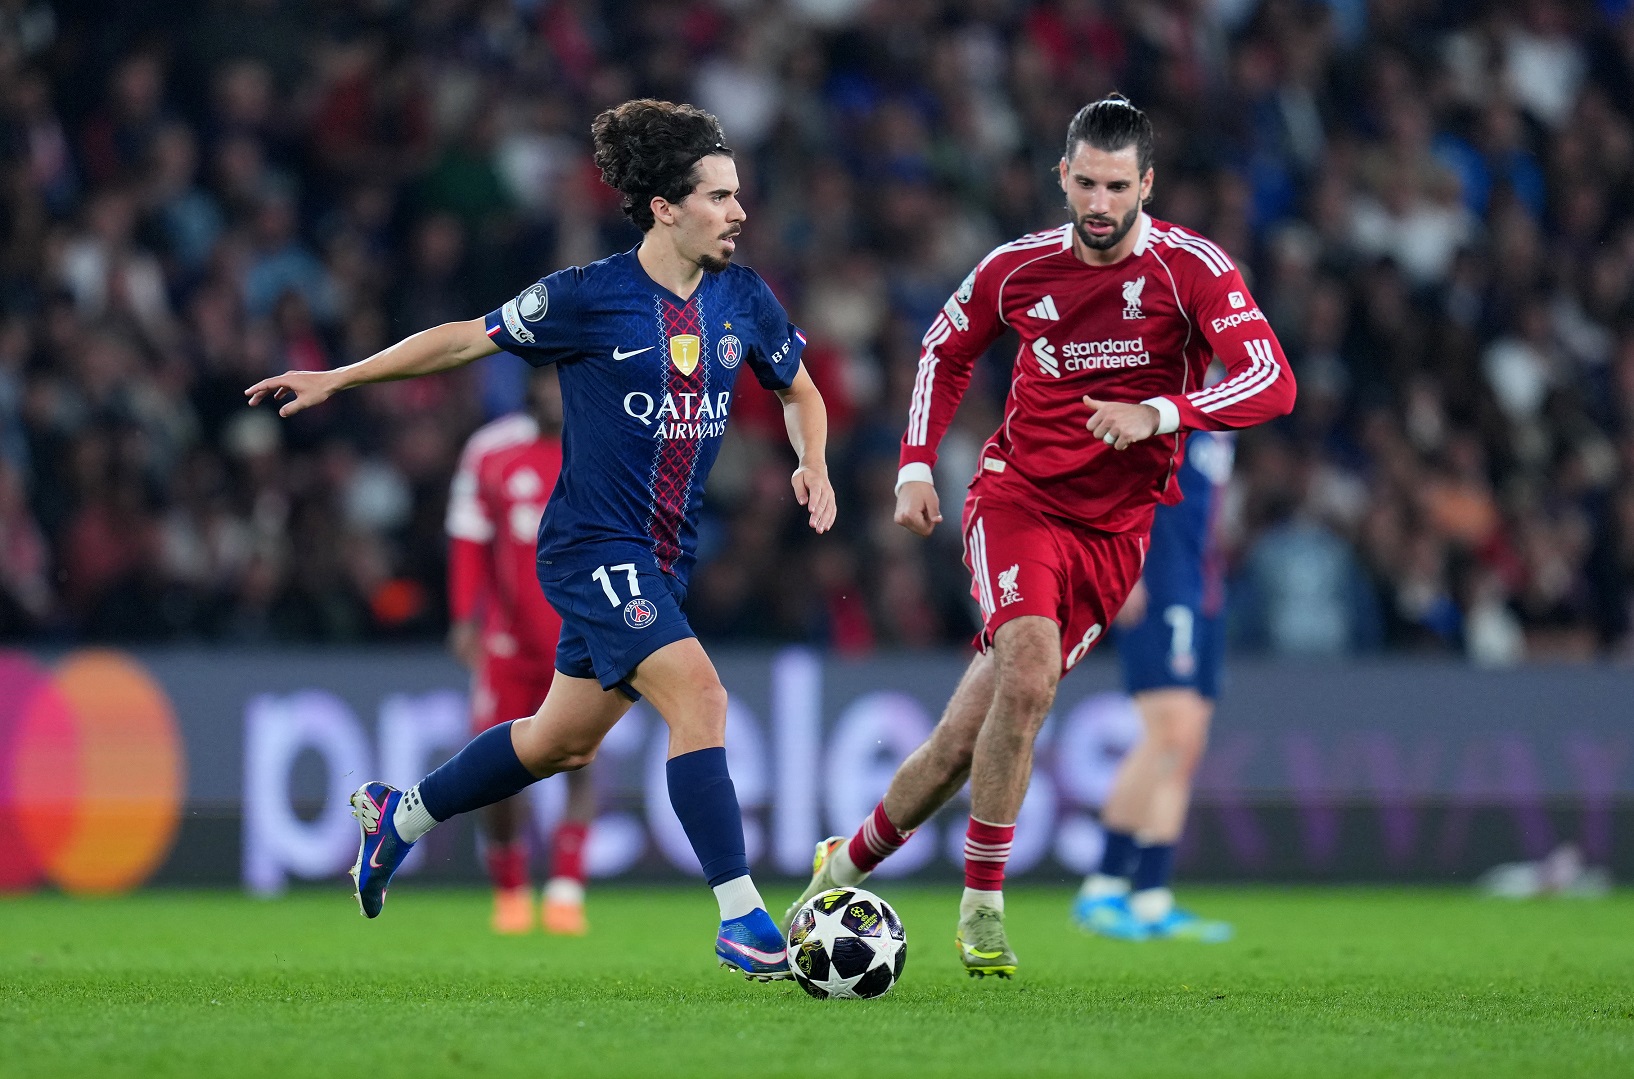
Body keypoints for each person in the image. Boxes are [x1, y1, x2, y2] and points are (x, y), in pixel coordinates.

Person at [246, 99, 835, 981]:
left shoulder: (743, 298)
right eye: (719, 196)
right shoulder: (588, 297)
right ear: (666, 207)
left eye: (738, 194)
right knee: (701, 699)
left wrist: (814, 463)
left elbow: (801, 390)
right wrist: (341, 375)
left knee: (561, 742)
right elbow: (461, 340)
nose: (738, 211)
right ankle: (742, 918)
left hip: (665, 560)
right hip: (591, 548)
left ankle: (394, 815)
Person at [784, 95, 1294, 978]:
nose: (1100, 204)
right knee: (1028, 669)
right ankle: (983, 908)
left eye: (1118, 187)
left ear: (1147, 184)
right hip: (1017, 499)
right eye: (1086, 183)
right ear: (1063, 175)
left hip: (1117, 534)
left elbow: (1272, 382)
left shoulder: (1189, 269)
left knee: (959, 742)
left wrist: (1161, 411)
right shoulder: (1017, 268)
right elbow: (945, 350)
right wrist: (914, 463)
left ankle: (841, 864)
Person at [446, 367, 597, 936]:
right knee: (499, 775)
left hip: (580, 634)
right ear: (529, 387)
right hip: (508, 645)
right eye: (545, 383)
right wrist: (465, 617)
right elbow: (467, 539)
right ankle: (510, 890)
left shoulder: (595, 440)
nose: (555, 394)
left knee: (583, 758)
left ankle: (565, 889)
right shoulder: (489, 451)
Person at [1074, 428, 1235, 943]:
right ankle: (1101, 888)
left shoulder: (1222, 407)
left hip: (1203, 588)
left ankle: (1150, 895)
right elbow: (1110, 478)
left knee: (1186, 746)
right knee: (1168, 733)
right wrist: (1121, 569)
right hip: (1159, 582)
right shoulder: (1160, 391)